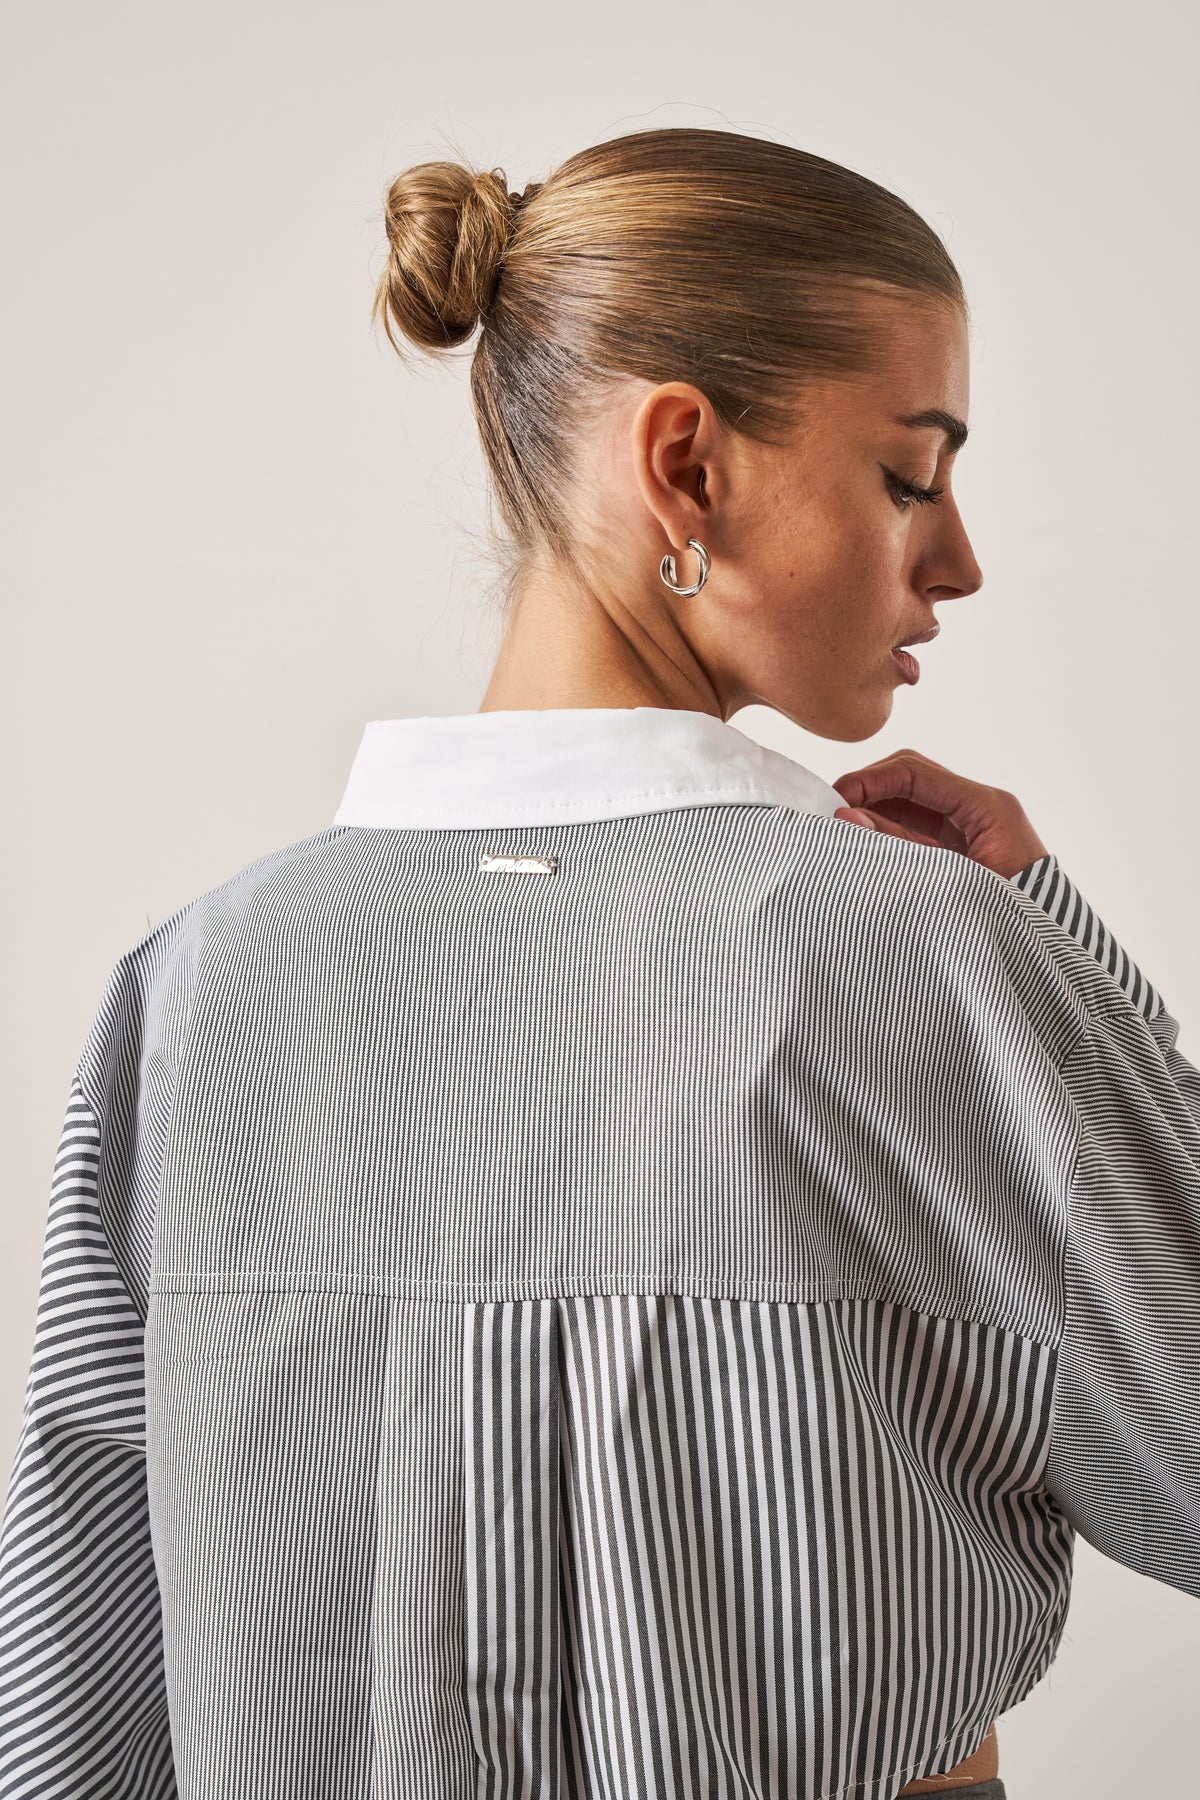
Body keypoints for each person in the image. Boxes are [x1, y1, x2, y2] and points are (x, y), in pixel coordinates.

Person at [1, 125, 1196, 1800]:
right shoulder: (929, 959)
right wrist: (1054, 946)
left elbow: (77, 1695)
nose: (958, 560)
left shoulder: (194, 992)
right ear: (686, 466)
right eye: (910, 476)